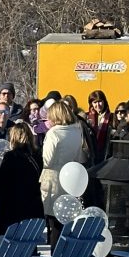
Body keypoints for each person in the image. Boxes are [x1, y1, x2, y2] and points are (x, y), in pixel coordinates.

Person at [39, 100, 91, 248]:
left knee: (53, 220)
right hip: (71, 178)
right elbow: (80, 157)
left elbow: (47, 160)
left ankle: (54, 253)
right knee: (65, 219)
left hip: (53, 179)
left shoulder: (54, 133)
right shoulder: (77, 130)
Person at [0, 123, 45, 237]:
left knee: (13, 244)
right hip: (33, 203)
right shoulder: (37, 156)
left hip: (13, 206)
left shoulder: (11, 157)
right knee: (31, 242)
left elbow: (1, 183)